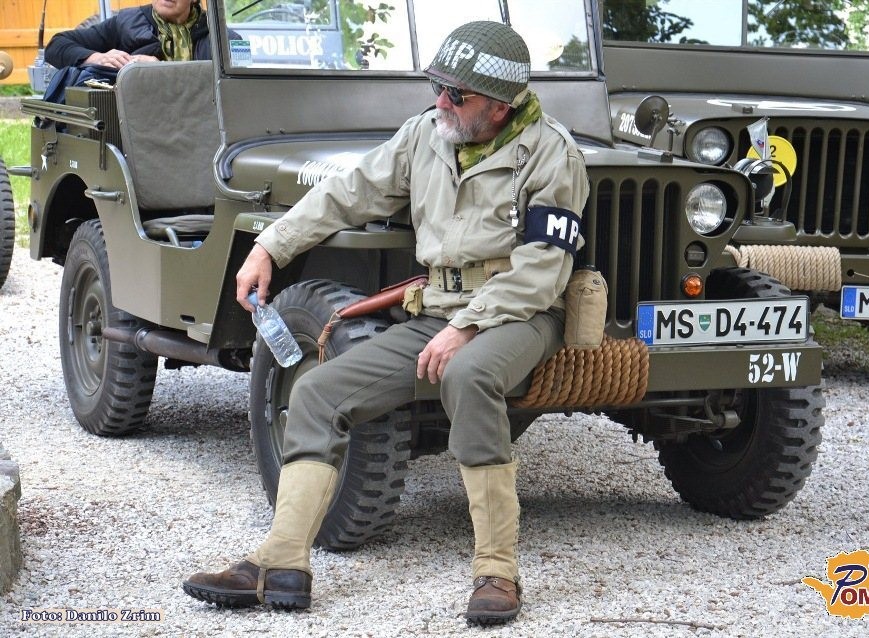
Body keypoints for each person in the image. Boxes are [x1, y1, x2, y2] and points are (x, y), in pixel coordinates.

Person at [181, 20, 588, 626]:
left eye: (456, 94)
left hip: (520, 315)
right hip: (440, 310)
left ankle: (497, 571)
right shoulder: (426, 135)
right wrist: (271, 246)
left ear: (500, 107)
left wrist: (467, 328)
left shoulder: (552, 153)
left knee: (469, 375)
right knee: (317, 392)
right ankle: (281, 561)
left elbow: (542, 272)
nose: (440, 101)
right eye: (436, 86)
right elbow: (348, 192)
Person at [44, 0, 213, 69]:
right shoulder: (126, 23)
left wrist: (158, 68)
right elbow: (56, 45)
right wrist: (98, 58)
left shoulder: (218, 36)